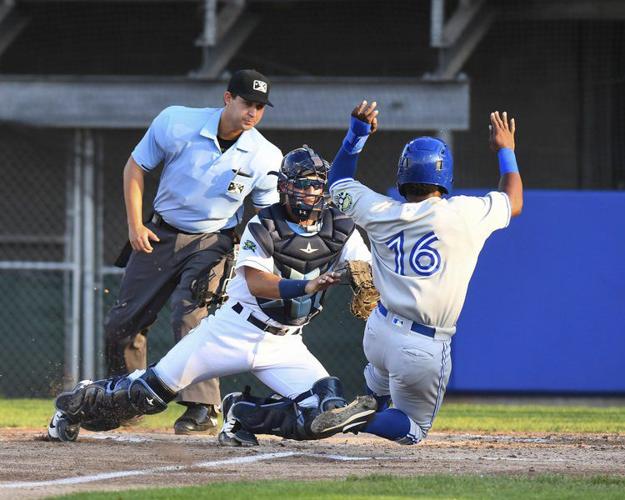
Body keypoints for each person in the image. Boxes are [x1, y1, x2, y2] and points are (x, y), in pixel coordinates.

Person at [48, 146, 378, 445]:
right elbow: (256, 282)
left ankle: (244, 415)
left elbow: (363, 267)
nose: (310, 192)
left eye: (317, 184)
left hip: (285, 343)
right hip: (232, 330)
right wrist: (306, 286)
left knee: (323, 410)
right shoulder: (264, 224)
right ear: (284, 186)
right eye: (303, 184)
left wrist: (366, 281)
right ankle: (77, 402)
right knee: (149, 394)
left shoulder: (341, 227)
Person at [314, 101, 523, 445]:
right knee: (413, 430)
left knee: (378, 392)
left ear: (403, 176)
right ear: (444, 177)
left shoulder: (379, 210)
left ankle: (363, 408)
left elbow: (338, 182)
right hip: (422, 344)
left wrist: (357, 135)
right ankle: (362, 420)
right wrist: (506, 151)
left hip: (379, 329)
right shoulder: (465, 214)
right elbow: (513, 200)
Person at [104, 69, 283, 435]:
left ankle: (202, 407)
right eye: (247, 102)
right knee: (123, 324)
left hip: (214, 240)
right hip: (160, 232)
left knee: (190, 315)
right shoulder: (176, 121)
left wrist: (261, 261)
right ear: (227, 98)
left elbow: (267, 215)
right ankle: (126, 400)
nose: (253, 112)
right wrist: (136, 226)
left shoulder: (265, 154)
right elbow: (135, 166)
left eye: (260, 107)